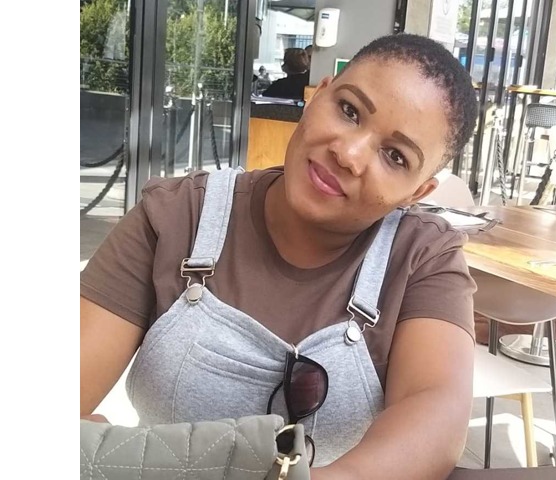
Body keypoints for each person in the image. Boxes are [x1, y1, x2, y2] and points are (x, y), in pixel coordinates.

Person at [81, 33, 479, 480]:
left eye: (395, 156)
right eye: (349, 111)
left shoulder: (423, 257)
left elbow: (435, 409)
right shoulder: (175, 217)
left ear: (418, 192)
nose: (348, 154)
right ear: (317, 95)